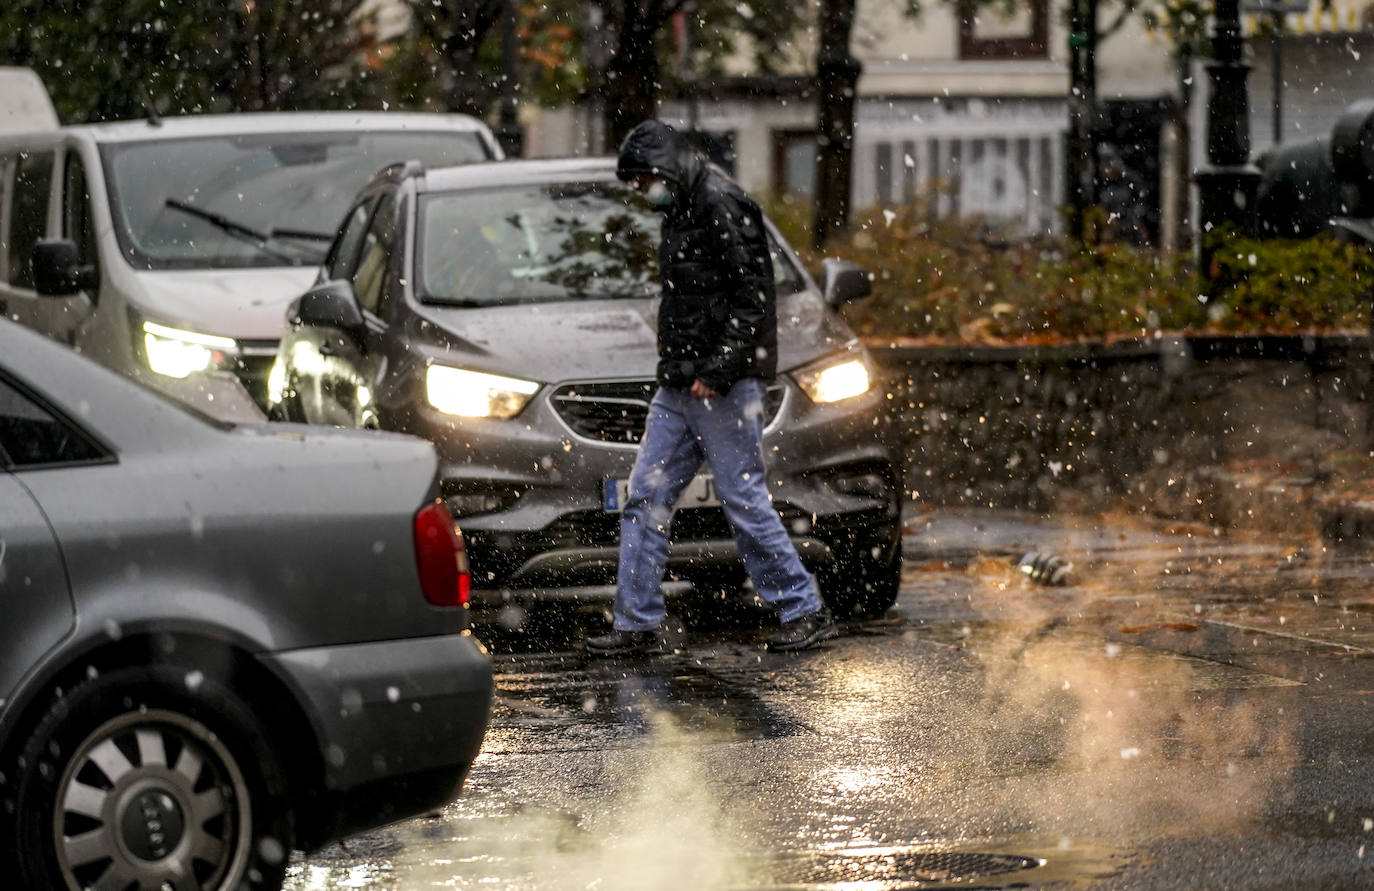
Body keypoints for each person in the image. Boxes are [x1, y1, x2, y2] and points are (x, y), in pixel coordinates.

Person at [585, 120, 839, 657]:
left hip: (716, 389)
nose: (641, 192)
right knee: (648, 499)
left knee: (739, 500)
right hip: (682, 384)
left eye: (643, 180)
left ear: (666, 169)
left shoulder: (721, 204)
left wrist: (718, 369)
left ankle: (803, 609)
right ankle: (636, 625)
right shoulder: (684, 207)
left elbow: (753, 297)